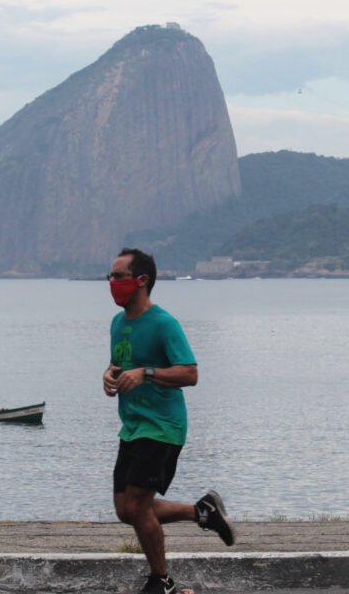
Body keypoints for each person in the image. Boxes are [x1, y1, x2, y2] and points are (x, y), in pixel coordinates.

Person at [102, 247, 234, 594]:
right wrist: (109, 377)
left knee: (137, 505)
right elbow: (119, 365)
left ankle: (161, 580)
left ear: (141, 280)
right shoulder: (118, 323)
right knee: (125, 510)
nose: (112, 282)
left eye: (119, 276)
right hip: (131, 426)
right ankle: (202, 512)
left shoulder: (164, 323)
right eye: (111, 277)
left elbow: (190, 373)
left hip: (162, 427)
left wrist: (145, 373)